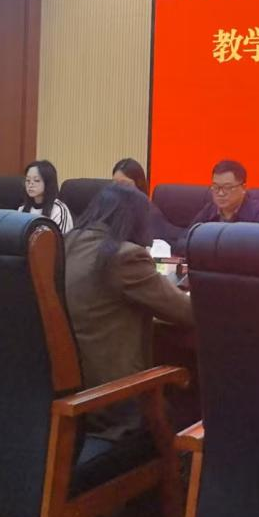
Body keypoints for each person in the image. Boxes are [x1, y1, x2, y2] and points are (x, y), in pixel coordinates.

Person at [64, 184, 193, 439]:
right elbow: (186, 312)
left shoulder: (66, 243)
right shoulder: (122, 256)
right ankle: (178, 461)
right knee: (189, 399)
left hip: (69, 394)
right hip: (114, 400)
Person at [111, 156, 173, 244]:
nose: (118, 189)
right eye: (115, 184)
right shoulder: (110, 210)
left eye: (124, 184)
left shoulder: (150, 214)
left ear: (138, 184)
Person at [18, 159, 73, 234]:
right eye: (28, 180)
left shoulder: (59, 210)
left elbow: (61, 239)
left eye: (36, 180)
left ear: (48, 183)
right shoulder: (22, 209)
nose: (30, 184)